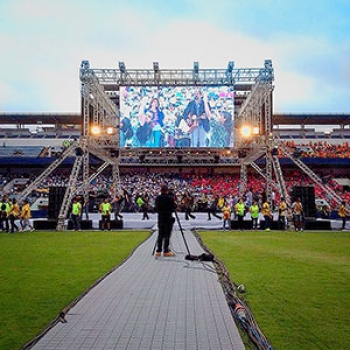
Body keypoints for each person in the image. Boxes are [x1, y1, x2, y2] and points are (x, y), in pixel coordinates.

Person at [154, 185, 176, 257]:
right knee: (167, 234)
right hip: (168, 218)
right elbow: (174, 207)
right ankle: (166, 250)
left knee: (160, 234)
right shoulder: (170, 198)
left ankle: (158, 250)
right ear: (167, 191)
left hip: (160, 218)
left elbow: (156, 208)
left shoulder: (158, 198)